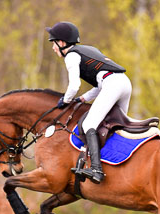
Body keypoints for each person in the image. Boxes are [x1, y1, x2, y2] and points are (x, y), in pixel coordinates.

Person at [46, 21, 132, 184]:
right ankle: (115, 163)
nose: (53, 48)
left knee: (89, 124)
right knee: (116, 125)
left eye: (54, 43)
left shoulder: (71, 56)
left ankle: (97, 170)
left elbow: (74, 86)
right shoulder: (89, 50)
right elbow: (101, 84)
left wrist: (66, 100)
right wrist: (83, 99)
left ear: (62, 43)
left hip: (113, 85)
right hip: (124, 83)